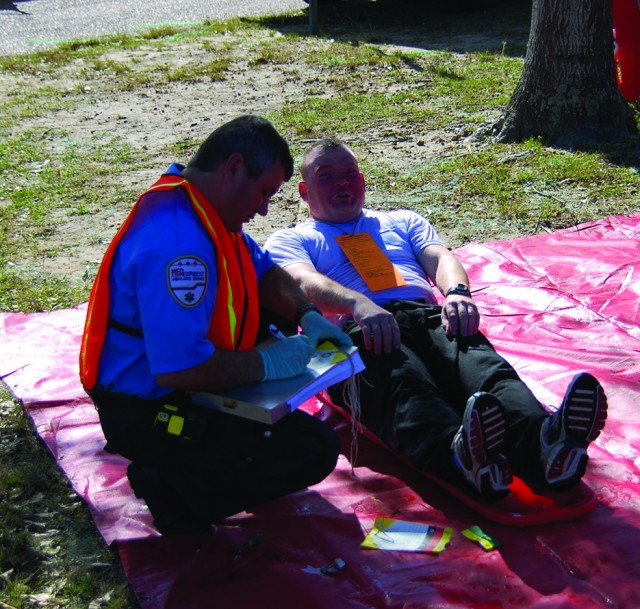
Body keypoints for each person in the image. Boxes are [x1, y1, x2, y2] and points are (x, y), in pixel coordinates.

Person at [264, 138, 608, 501]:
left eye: (350, 174)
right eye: (327, 176)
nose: (343, 184)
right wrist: (359, 305)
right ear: (304, 191)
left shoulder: (401, 221)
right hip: (357, 330)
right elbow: (301, 282)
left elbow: (440, 258)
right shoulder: (292, 239)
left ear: (363, 180)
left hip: (427, 315)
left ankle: (546, 442)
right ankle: (458, 456)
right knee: (405, 385)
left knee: (485, 369)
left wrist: (457, 293)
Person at [79, 117, 352, 535]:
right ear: (233, 168)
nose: (263, 209)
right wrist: (267, 365)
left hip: (174, 380)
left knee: (275, 321)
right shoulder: (179, 247)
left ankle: (206, 454)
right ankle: (169, 488)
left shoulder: (201, 206)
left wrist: (307, 315)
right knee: (313, 450)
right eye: (264, 192)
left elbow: (264, 271)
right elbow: (179, 369)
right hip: (148, 408)